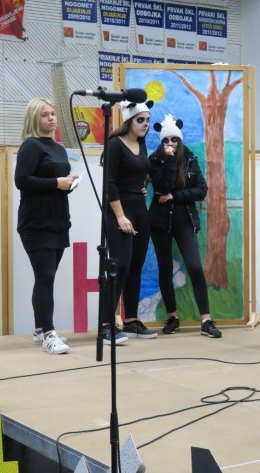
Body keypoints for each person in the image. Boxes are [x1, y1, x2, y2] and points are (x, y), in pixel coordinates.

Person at [148, 115, 221, 338]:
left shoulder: (190, 159)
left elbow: (201, 190)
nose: (170, 144)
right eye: (166, 140)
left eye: (174, 139)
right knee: (164, 268)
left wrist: (175, 196)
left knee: (195, 267)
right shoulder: (155, 160)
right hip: (160, 221)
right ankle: (173, 317)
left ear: (180, 140)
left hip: (184, 221)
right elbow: (162, 186)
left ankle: (206, 320)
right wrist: (169, 161)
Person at [15, 98, 78, 355]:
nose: (52, 118)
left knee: (47, 278)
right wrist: (55, 183)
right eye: (45, 115)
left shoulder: (58, 148)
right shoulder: (30, 146)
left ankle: (41, 329)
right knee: (45, 277)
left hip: (59, 221)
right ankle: (49, 335)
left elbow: (55, 181)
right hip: (36, 223)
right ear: (34, 118)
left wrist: (68, 183)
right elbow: (22, 181)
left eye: (53, 114)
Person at [101, 99, 156, 344]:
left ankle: (132, 320)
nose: (145, 124)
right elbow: (109, 183)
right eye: (140, 120)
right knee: (120, 265)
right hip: (119, 210)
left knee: (136, 265)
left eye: (148, 120)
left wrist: (141, 186)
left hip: (139, 209)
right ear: (128, 121)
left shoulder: (141, 143)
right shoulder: (115, 144)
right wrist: (120, 216)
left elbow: (138, 172)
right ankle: (105, 325)